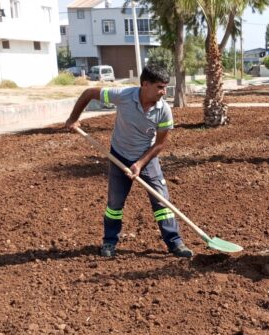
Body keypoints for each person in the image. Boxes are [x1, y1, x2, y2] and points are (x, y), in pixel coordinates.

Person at [64, 66, 193, 258]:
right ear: (145, 84)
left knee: (162, 201)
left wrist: (140, 164)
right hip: (119, 156)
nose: (163, 92)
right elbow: (89, 93)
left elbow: (159, 145)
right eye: (159, 87)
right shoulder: (122, 95)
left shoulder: (164, 111)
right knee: (115, 204)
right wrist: (73, 119)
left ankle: (174, 242)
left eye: (165, 87)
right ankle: (109, 242)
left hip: (147, 159)